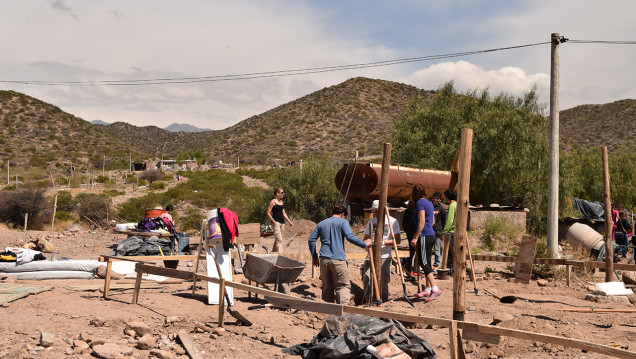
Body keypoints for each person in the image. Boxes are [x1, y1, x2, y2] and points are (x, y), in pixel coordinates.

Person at [308, 204, 372, 304]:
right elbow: (350, 237)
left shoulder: (321, 223)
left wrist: (314, 257)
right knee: (342, 286)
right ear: (342, 214)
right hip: (338, 260)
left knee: (327, 288)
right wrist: (364, 244)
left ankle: (327, 313)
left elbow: (311, 240)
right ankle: (344, 313)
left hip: (324, 260)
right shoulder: (343, 222)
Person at [361, 200, 401, 302]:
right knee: (366, 279)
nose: (375, 214)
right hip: (371, 256)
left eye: (377, 211)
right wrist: (369, 241)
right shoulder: (371, 222)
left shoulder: (392, 221)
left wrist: (382, 243)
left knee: (383, 282)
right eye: (374, 211)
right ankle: (368, 301)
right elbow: (365, 238)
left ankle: (384, 301)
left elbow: (398, 241)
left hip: (385, 256)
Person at [411, 184, 442, 302]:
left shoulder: (419, 203)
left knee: (423, 263)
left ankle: (435, 288)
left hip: (424, 236)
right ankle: (428, 289)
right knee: (427, 262)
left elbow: (422, 220)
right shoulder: (429, 203)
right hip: (431, 235)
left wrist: (416, 237)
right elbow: (432, 221)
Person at [266, 187, 294, 252]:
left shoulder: (281, 202)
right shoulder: (273, 202)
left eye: (283, 193)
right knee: (279, 239)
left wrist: (289, 222)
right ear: (277, 193)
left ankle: (273, 252)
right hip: (276, 223)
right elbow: (268, 213)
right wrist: (273, 221)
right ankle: (281, 253)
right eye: (282, 193)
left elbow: (284, 213)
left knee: (278, 240)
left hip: (282, 223)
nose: (283, 194)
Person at [402, 200, 418, 277]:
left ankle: (408, 269)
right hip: (415, 234)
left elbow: (403, 224)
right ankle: (415, 270)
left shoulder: (406, 211)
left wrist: (407, 232)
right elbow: (415, 223)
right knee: (417, 252)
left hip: (409, 234)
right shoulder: (416, 211)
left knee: (410, 252)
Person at [443, 190, 457, 277]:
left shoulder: (452, 206)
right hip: (458, 232)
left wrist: (444, 232)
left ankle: (450, 271)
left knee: (450, 253)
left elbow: (449, 220)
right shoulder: (457, 204)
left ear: (447, 197)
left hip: (452, 232)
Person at [431, 192, 447, 270]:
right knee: (428, 249)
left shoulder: (442, 209)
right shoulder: (430, 207)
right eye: (434, 198)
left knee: (437, 249)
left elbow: (444, 222)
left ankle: (436, 264)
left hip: (437, 232)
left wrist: (442, 233)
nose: (435, 200)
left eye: (437, 198)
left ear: (440, 200)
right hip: (429, 232)